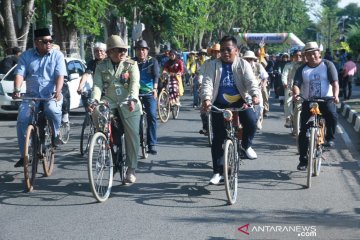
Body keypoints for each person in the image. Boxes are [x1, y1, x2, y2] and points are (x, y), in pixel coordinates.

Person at [201, 36, 260, 184]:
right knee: (217, 139)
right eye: (222, 50)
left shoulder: (243, 64)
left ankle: (245, 146)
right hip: (219, 104)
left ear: (236, 50)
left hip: (240, 101)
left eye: (228, 49)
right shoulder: (212, 65)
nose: (225, 53)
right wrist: (206, 99)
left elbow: (251, 82)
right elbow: (207, 83)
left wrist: (255, 95)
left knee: (252, 121)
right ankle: (217, 172)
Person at [88, 35, 141, 183]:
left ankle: (131, 169)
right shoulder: (101, 66)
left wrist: (132, 98)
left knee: (132, 134)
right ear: (110, 52)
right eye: (120, 50)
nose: (124, 52)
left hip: (128, 101)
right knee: (97, 110)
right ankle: (103, 138)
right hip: (110, 100)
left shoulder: (131, 64)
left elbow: (134, 84)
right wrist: (94, 100)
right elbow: (97, 86)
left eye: (125, 50)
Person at [12, 27, 67, 168]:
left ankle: (55, 136)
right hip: (31, 97)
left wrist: (58, 91)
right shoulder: (26, 56)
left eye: (51, 40)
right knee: (23, 118)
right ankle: (25, 154)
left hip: (50, 96)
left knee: (52, 111)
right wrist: (17, 89)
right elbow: (19, 74)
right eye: (45, 41)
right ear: (36, 42)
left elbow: (60, 75)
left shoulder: (57, 55)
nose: (49, 43)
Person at [293, 41, 339, 171]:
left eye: (314, 53)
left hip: (326, 100)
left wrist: (335, 96)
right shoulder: (302, 69)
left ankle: (329, 138)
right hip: (309, 101)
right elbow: (296, 84)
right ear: (305, 56)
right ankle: (303, 160)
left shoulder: (327, 65)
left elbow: (335, 83)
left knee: (332, 114)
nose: (312, 56)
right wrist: (297, 94)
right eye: (308, 54)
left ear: (319, 53)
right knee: (303, 132)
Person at [133, 40, 160, 155]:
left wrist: (154, 89)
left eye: (143, 49)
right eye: (138, 49)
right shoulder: (131, 62)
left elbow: (156, 76)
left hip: (149, 92)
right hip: (134, 92)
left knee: (152, 115)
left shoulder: (152, 61)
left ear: (147, 51)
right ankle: (135, 141)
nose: (141, 52)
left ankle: (152, 143)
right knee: (133, 117)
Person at [242, 50, 269, 130]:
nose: (248, 61)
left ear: (253, 59)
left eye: (250, 59)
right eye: (247, 59)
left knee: (259, 106)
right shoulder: (240, 67)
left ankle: (257, 119)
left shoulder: (258, 66)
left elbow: (265, 77)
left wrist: (262, 85)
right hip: (244, 89)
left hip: (256, 89)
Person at [77, 42, 107, 109]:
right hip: (98, 89)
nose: (99, 53)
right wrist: (80, 86)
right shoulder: (92, 63)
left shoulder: (109, 61)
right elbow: (86, 74)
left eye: (101, 51)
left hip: (110, 90)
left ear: (105, 52)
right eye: (96, 51)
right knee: (91, 110)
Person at [282, 49, 302, 128]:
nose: (298, 57)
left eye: (300, 56)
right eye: (296, 55)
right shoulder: (288, 65)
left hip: (302, 87)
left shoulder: (304, 65)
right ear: (293, 56)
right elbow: (284, 75)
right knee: (288, 102)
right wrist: (285, 83)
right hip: (290, 86)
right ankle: (288, 119)